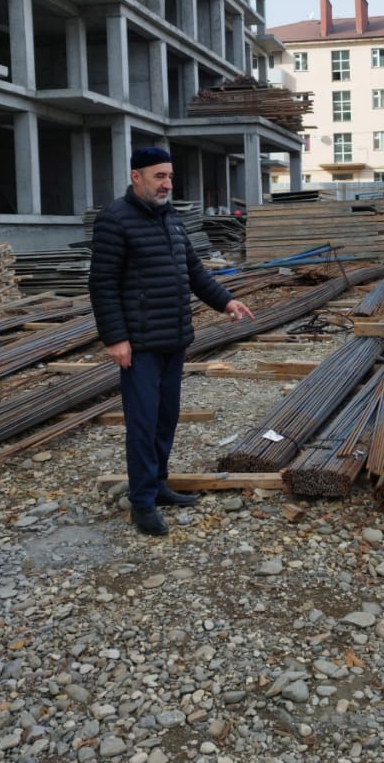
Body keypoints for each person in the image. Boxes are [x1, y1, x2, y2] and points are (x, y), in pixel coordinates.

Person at [88, 145, 254, 537]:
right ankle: (142, 503)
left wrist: (225, 301)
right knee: (143, 423)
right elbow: (102, 284)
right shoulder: (115, 220)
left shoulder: (170, 217)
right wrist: (116, 338)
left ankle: (158, 484)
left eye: (170, 176)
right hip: (140, 344)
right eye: (159, 176)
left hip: (174, 338)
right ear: (136, 177)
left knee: (165, 418)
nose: (167, 183)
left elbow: (193, 270)